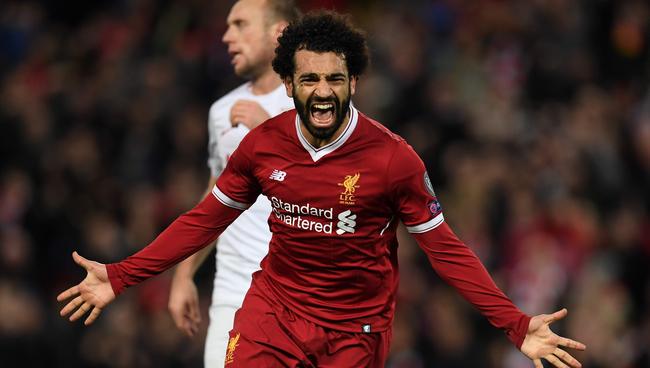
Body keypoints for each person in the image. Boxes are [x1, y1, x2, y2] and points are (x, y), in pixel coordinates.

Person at [58, 11, 586, 368]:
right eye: (310, 80)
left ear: (353, 82)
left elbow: (446, 251)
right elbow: (203, 221)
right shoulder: (263, 147)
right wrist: (122, 276)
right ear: (289, 84)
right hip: (275, 313)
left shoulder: (393, 159)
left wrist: (517, 327)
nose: (323, 92)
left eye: (335, 79)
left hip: (355, 332)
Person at [165, 0, 299, 366]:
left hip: (301, 298)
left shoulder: (316, 102)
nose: (227, 37)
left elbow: (339, 190)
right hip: (233, 293)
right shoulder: (221, 111)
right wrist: (184, 273)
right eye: (227, 26)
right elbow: (215, 197)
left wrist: (268, 132)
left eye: (240, 25)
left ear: (280, 32)